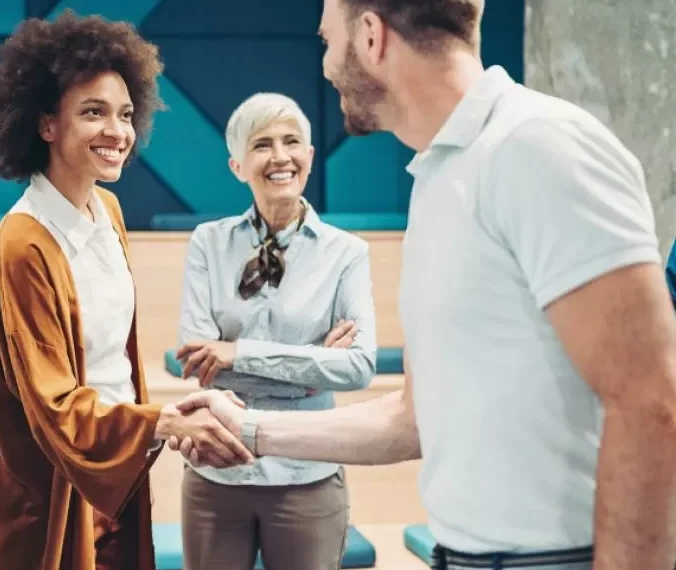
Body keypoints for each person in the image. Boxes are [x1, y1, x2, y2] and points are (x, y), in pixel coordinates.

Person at [172, 1, 676, 569]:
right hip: (463, 555)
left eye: (327, 41)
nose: (326, 66)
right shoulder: (438, 176)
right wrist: (248, 427)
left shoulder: (538, 145)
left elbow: (649, 399)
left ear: (370, 37)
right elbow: (412, 420)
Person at [0, 11, 253, 570]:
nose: (118, 132)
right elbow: (54, 406)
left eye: (125, 114)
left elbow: (113, 366)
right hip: (55, 490)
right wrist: (165, 423)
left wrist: (167, 415)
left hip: (118, 469)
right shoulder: (23, 243)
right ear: (46, 124)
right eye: (93, 113)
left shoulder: (109, 210)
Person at [174, 92, 377, 570]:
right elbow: (200, 365)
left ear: (308, 156)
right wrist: (311, 369)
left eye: (292, 142)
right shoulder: (208, 243)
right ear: (238, 165)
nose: (280, 156)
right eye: (262, 144)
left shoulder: (347, 253)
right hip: (218, 471)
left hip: (307, 472)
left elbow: (359, 367)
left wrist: (237, 354)